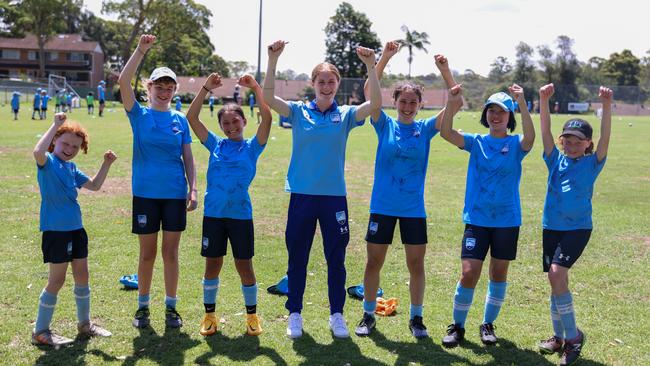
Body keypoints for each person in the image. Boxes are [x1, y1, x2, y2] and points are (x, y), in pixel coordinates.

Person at [263, 40, 381, 339]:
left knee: (336, 259)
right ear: (313, 83)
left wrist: (371, 66)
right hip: (302, 196)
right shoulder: (298, 112)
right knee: (297, 257)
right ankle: (295, 314)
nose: (326, 86)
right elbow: (267, 97)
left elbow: (376, 105)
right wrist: (273, 59)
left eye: (331, 81)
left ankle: (337, 315)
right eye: (321, 81)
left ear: (337, 84)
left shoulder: (346, 114)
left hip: (333, 199)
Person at [354, 42, 460, 339]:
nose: (408, 106)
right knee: (374, 261)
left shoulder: (425, 128)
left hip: (413, 209)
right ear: (395, 101)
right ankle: (367, 314)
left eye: (413, 102)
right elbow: (368, 93)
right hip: (383, 206)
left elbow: (456, 102)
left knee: (416, 263)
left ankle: (416, 318)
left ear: (419, 105)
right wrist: (384, 58)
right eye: (403, 101)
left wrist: (445, 71)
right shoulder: (383, 123)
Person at [438, 84, 535, 348]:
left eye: (502, 112)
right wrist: (450, 101)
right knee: (469, 273)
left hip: (506, 220)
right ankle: (457, 327)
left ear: (509, 117)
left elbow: (530, 138)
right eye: (491, 110)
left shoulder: (516, 144)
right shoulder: (476, 142)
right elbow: (446, 132)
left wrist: (522, 102)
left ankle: (487, 324)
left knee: (498, 273)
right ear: (485, 114)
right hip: (477, 219)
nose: (496, 116)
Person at [118, 34, 198, 329]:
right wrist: (140, 50)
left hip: (175, 195)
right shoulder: (138, 114)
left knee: (171, 253)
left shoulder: (180, 120)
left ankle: (171, 308)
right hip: (146, 195)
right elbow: (124, 83)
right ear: (149, 88)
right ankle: (142, 307)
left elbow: (188, 158)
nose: (164, 92)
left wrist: (193, 188)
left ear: (174, 90)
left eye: (169, 87)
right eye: (159, 87)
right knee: (148, 253)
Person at [187, 72, 272, 337]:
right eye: (226, 123)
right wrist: (206, 89)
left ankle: (252, 316)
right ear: (221, 126)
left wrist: (256, 88)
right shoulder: (215, 144)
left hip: (240, 216)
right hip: (214, 215)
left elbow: (268, 118)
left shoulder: (252, 147)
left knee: (244, 266)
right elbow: (192, 117)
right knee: (212, 265)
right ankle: (210, 315)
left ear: (244, 121)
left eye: (235, 121)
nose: (231, 126)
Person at [536, 84, 612, 366]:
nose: (570, 143)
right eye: (567, 138)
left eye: (577, 140)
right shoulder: (554, 160)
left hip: (577, 228)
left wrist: (606, 105)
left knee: (557, 274)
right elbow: (544, 131)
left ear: (587, 144)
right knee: (556, 280)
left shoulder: (593, 163)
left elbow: (606, 136)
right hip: (551, 226)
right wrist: (544, 101)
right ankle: (559, 336)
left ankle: (573, 337)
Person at [31, 112, 116, 347]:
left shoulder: (71, 168)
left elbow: (96, 186)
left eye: (75, 146)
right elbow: (37, 152)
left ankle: (85, 324)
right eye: (65, 143)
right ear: (54, 142)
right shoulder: (47, 162)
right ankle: (40, 330)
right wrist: (55, 124)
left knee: (82, 276)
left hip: (76, 229)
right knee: (56, 280)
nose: (69, 148)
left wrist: (106, 163)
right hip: (56, 231)